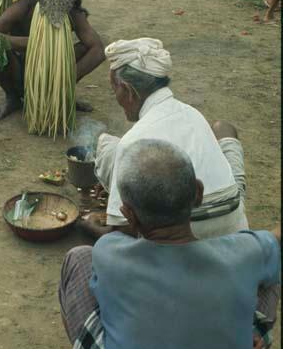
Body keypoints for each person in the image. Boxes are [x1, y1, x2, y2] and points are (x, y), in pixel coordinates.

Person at [59, 138, 281, 349]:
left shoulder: (109, 254)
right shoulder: (244, 253)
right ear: (199, 194)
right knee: (270, 274)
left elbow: (103, 266)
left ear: (128, 215)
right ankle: (245, 346)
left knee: (77, 260)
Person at [80, 38, 249, 240]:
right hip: (234, 225)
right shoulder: (192, 114)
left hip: (185, 234)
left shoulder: (134, 141)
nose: (115, 97)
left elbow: (121, 235)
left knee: (111, 146)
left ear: (127, 90)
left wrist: (88, 224)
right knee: (223, 128)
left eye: (114, 89)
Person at [0, 0, 105, 119]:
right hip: (21, 73)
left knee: (86, 48)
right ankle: (13, 97)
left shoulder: (72, 12)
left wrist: (67, 80)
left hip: (57, 75)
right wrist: (36, 42)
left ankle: (63, 96)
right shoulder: (25, 7)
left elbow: (97, 50)